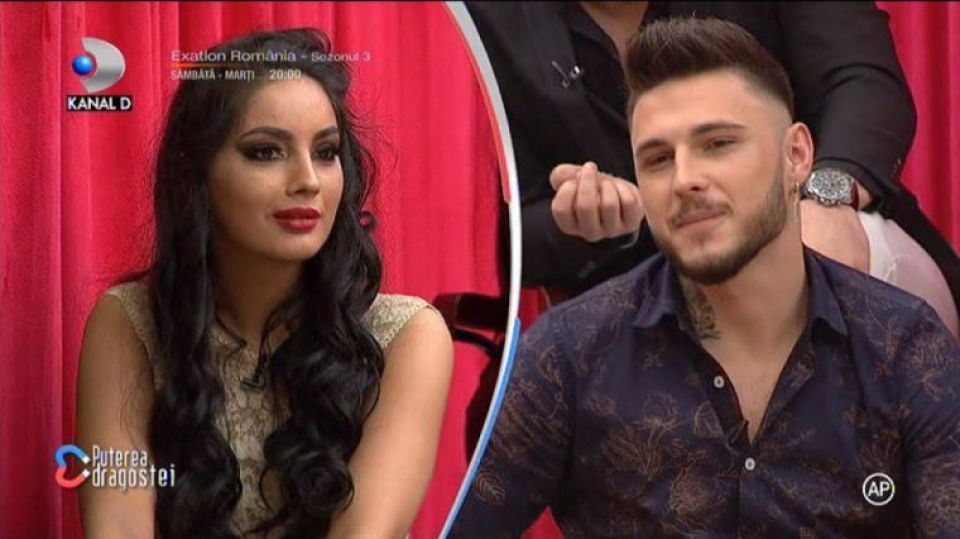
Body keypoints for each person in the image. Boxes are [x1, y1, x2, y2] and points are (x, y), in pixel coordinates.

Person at [451, 18, 960, 537]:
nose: (685, 179)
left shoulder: (904, 348)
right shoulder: (570, 357)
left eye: (718, 144)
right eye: (658, 159)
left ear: (796, 156)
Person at [76, 28, 454, 537]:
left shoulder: (406, 336)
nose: (308, 180)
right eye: (265, 152)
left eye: (326, 152)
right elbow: (117, 526)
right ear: (197, 171)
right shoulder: (131, 323)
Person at [466, 1, 960, 331]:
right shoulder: (489, 18)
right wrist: (578, 223)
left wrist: (826, 200)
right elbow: (511, 236)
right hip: (636, 327)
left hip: (810, 236)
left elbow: (863, 84)